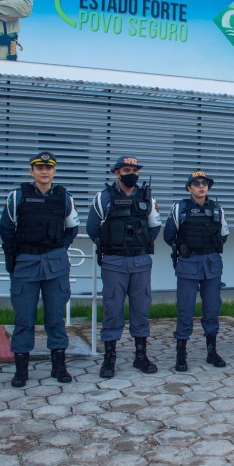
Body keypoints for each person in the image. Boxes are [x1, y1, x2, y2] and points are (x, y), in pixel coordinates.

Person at [0, 151, 79, 388]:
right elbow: (6, 230)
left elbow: (71, 229)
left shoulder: (65, 197)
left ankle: (59, 366)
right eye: (39, 167)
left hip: (55, 263)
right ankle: (21, 370)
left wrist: (57, 249)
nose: (44, 171)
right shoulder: (17, 197)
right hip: (26, 263)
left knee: (55, 317)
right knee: (24, 317)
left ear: (54, 171)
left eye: (48, 167)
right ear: (31, 171)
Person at [86, 156, 161, 378]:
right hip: (114, 262)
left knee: (141, 308)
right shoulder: (103, 198)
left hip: (140, 262)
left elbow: (154, 227)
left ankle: (141, 356)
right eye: (127, 169)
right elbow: (92, 228)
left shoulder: (147, 197)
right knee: (112, 309)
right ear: (116, 173)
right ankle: (110, 358)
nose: (132, 174)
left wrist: (139, 244)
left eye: (135, 170)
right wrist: (113, 244)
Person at [163, 170, 229, 372]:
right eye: (196, 183)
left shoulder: (217, 209)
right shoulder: (180, 208)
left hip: (211, 263)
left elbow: (224, 235)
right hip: (188, 263)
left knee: (212, 308)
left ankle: (212, 352)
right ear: (189, 187)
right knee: (185, 309)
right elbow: (168, 235)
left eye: (205, 183)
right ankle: (181, 355)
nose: (201, 186)